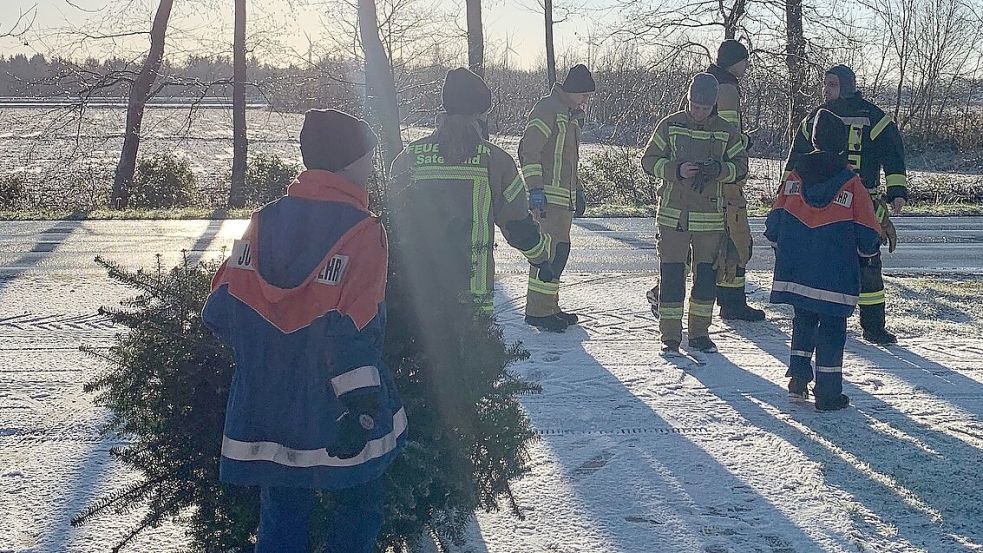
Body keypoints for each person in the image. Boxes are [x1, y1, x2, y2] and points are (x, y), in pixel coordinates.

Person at [202, 109, 406, 553]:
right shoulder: (364, 232)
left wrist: (266, 358)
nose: (372, 166)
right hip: (337, 405)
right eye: (368, 157)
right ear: (348, 161)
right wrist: (362, 408)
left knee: (282, 513)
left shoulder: (264, 220)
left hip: (267, 402)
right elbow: (357, 327)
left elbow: (220, 308)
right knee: (359, 507)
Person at [388, 67, 556, 321]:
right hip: (472, 292)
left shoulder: (409, 157)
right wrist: (540, 259)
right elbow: (517, 222)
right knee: (472, 358)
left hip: (417, 292)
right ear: (480, 113)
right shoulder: (495, 161)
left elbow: (390, 221)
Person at [766, 109, 882, 410]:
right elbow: (869, 234)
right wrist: (868, 254)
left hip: (798, 274)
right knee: (832, 330)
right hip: (836, 276)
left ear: (813, 141)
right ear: (842, 145)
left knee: (803, 322)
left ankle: (797, 383)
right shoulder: (851, 183)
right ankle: (828, 394)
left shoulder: (793, 178)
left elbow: (773, 225)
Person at [784, 64, 907, 344]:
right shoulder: (815, 117)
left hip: (865, 199)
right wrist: (786, 191)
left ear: (847, 86)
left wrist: (897, 190)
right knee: (824, 263)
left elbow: (893, 154)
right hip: (825, 203)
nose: (826, 90)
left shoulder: (872, 116)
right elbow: (796, 157)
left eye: (833, 84)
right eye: (824, 84)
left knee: (869, 264)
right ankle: (819, 319)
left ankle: (873, 326)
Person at [647, 40, 765, 322]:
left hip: (707, 180)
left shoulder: (710, 83)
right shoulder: (725, 89)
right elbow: (725, 135)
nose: (746, 66)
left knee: (707, 246)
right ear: (733, 62)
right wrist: (743, 144)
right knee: (730, 239)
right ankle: (728, 302)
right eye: (744, 61)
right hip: (717, 182)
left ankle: (723, 298)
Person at [641, 73, 749, 354]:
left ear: (713, 105)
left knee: (705, 280)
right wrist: (676, 170)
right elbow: (649, 160)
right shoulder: (671, 125)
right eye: (694, 106)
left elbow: (742, 167)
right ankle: (670, 337)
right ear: (688, 100)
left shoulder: (726, 130)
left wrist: (720, 171)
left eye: (704, 108)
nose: (698, 112)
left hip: (710, 218)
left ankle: (700, 334)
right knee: (672, 276)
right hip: (673, 216)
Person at [519, 64, 595, 331]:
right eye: (584, 94)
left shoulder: (570, 115)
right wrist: (535, 189)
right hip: (548, 200)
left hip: (563, 200)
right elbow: (529, 151)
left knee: (558, 253)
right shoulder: (548, 109)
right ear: (572, 90)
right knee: (548, 254)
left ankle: (550, 306)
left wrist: (579, 189)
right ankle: (538, 311)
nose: (586, 100)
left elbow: (568, 162)